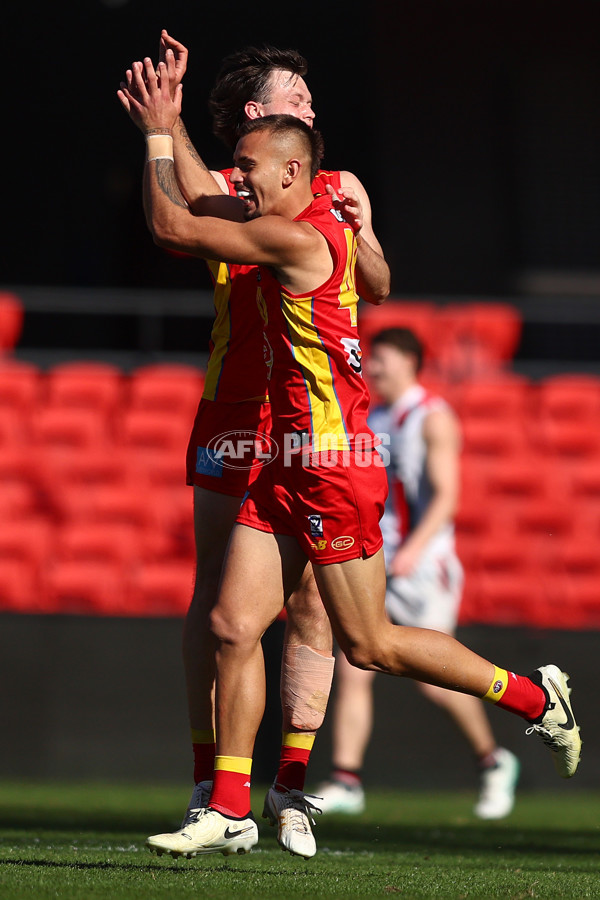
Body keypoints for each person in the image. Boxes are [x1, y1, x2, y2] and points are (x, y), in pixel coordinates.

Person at [119, 68, 581, 862]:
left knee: (372, 646)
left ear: (292, 173)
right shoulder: (298, 213)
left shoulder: (298, 236)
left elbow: (173, 225)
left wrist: (161, 129)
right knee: (233, 623)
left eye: (253, 170)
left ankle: (537, 697)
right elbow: (219, 210)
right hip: (282, 462)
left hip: (334, 466)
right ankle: (230, 805)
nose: (244, 181)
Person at [119, 34, 390, 860]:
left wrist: (366, 233)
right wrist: (164, 127)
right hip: (233, 404)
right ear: (256, 116)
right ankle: (215, 787)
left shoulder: (334, 187)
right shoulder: (237, 185)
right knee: (222, 606)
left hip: (304, 412)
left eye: (309, 100)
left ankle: (290, 789)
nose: (310, 107)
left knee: (310, 606)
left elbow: (377, 285)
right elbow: (181, 211)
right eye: (294, 98)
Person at [316, 328, 519, 819]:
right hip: (377, 560)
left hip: (424, 565)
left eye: (380, 358)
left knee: (436, 681)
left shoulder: (432, 418)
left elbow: (447, 496)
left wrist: (414, 549)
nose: (372, 367)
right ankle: (347, 779)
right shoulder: (374, 416)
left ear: (409, 360)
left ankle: (493, 762)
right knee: (355, 665)